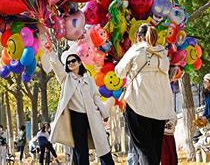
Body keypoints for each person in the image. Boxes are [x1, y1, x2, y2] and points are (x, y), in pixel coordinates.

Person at [115, 24, 177, 164]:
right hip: (160, 110)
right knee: (154, 149)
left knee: (144, 149)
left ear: (138, 37)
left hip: (138, 106)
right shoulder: (163, 55)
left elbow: (119, 72)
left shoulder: (136, 50)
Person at [48, 51, 114, 165]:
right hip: (76, 116)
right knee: (80, 148)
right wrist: (51, 53)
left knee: (103, 145)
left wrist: (104, 113)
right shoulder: (66, 79)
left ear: (79, 62)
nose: (71, 63)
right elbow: (57, 67)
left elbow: (96, 97)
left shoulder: (88, 79)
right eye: (68, 62)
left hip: (92, 115)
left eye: (73, 61)